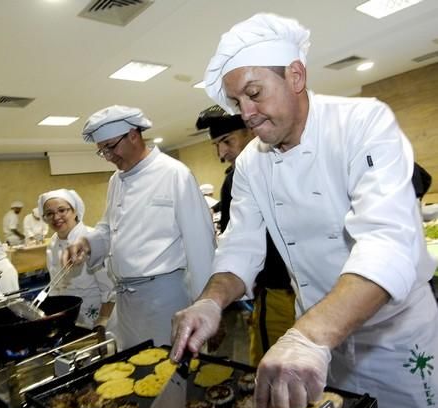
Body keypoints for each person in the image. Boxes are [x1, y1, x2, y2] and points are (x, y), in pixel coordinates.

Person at [171, 13, 438, 408]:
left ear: (295, 75)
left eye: (254, 94)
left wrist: (309, 336)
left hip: (393, 338)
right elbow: (241, 246)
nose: (247, 113)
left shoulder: (361, 122)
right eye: (238, 101)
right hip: (318, 348)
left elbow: (387, 242)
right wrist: (211, 300)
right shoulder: (252, 164)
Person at [63, 105, 216, 350]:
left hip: (165, 299)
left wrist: (207, 306)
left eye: (111, 147)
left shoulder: (174, 173)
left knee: (169, 375)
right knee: (133, 370)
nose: (109, 156)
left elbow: (201, 246)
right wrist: (87, 243)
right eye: (102, 151)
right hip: (126, 302)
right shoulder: (116, 181)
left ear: (133, 134)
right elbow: (108, 228)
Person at [196, 106, 296, 366]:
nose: (221, 154)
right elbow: (237, 246)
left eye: (227, 141)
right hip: (280, 291)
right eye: (216, 146)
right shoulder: (240, 178)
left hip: (296, 292)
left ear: (253, 130)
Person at [39, 189, 115, 329]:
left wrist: (103, 320)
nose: (56, 217)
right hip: (71, 319)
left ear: (75, 211)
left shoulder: (92, 240)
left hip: (100, 318)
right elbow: (55, 287)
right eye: (49, 213)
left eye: (62, 210)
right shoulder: (52, 244)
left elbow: (110, 290)